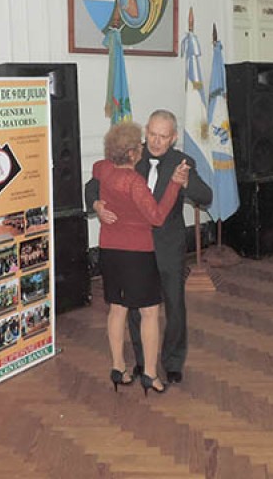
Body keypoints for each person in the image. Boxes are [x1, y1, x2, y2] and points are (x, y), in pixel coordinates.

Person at [86, 109, 213, 384]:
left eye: (163, 137)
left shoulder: (182, 162)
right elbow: (93, 184)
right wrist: (96, 204)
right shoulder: (131, 154)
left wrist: (185, 182)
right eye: (152, 134)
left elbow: (206, 196)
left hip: (168, 245)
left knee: (174, 306)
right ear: (146, 132)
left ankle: (173, 362)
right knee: (135, 307)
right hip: (135, 250)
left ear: (174, 137)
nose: (155, 141)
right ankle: (143, 362)